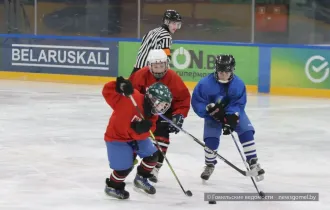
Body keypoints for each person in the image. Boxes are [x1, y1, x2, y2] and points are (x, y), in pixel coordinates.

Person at [191, 54, 265, 182]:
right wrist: (208, 109)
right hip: (212, 116)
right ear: (216, 69)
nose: (223, 75)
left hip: (233, 113)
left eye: (227, 72)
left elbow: (238, 103)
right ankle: (209, 164)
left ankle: (253, 161)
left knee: (246, 131)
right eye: (221, 72)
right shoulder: (205, 84)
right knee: (211, 141)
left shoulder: (238, 84)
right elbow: (197, 101)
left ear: (232, 70)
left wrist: (231, 117)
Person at [102, 76, 173, 199]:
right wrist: (119, 86)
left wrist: (143, 130)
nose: (162, 108)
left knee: (153, 156)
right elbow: (106, 91)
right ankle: (113, 187)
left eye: (164, 106)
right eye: (161, 104)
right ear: (152, 98)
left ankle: (141, 178)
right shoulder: (130, 96)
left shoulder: (151, 114)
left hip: (136, 138)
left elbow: (151, 130)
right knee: (124, 169)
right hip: (117, 139)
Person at [129, 49, 191, 183]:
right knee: (134, 134)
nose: (158, 69)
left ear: (166, 64)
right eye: (155, 66)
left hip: (165, 111)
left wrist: (179, 115)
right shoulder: (140, 75)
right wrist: (137, 113)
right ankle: (129, 158)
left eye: (161, 65)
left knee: (162, 137)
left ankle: (155, 168)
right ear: (149, 65)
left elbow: (183, 99)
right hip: (144, 111)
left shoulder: (173, 77)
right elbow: (131, 97)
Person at [131, 9, 182, 75]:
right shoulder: (166, 36)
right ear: (166, 22)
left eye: (178, 24)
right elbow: (166, 58)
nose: (175, 27)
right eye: (173, 23)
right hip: (148, 73)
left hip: (136, 70)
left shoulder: (152, 31)